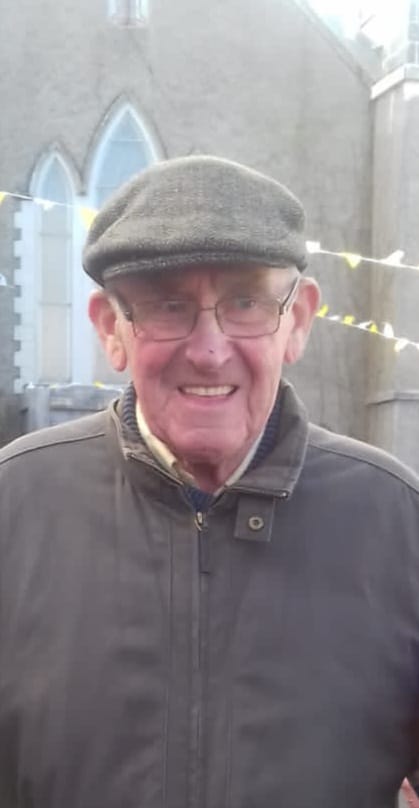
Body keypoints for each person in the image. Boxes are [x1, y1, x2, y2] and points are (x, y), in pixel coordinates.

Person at [1, 155, 419, 808]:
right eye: (167, 306)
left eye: (246, 302)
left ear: (298, 321)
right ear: (111, 328)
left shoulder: (395, 519)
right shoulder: (16, 506)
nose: (208, 350)